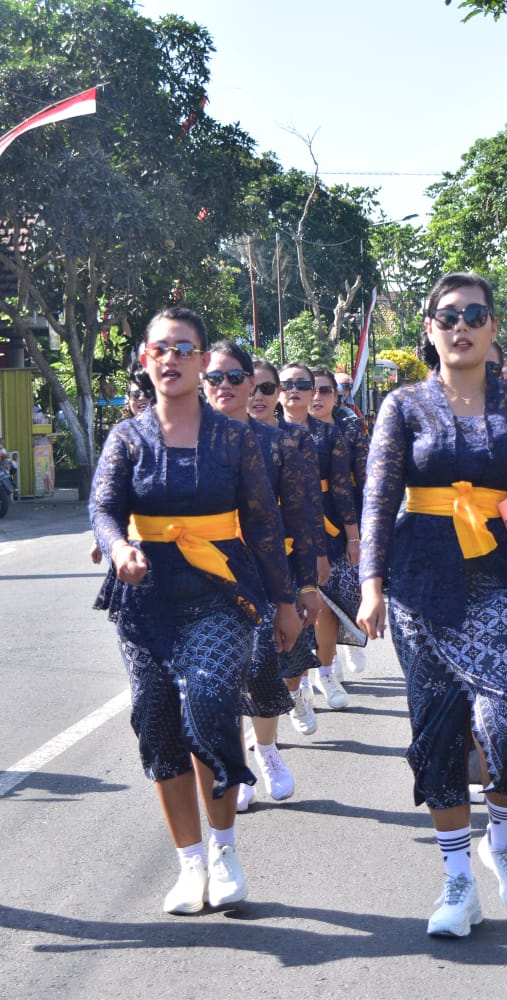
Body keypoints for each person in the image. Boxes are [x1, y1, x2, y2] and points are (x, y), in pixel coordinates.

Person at [358, 271, 507, 938]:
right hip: (421, 585)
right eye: (448, 316)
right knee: (440, 733)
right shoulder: (403, 407)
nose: (461, 325)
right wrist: (370, 584)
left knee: (505, 719)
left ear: (491, 330)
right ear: (429, 330)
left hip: (503, 581)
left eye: (475, 315)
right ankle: (457, 884)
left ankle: (503, 840)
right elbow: (377, 497)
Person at [90, 307, 301, 915]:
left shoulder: (235, 439)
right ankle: (188, 862)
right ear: (144, 357)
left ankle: (224, 847)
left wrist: (286, 601)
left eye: (186, 349)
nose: (173, 358)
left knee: (210, 704)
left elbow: (264, 522)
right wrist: (119, 544)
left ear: (203, 360)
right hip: (146, 598)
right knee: (155, 720)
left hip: (221, 591)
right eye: (162, 348)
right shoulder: (126, 437)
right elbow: (102, 509)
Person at [202, 341, 323, 812]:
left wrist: (307, 584)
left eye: (236, 378)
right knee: (217, 674)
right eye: (215, 378)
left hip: (267, 572)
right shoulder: (186, 438)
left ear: (252, 385)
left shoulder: (281, 443)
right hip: (204, 575)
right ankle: (234, 764)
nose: (225, 387)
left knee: (261, 667)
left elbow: (302, 516)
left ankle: (267, 749)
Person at [277, 362, 359, 726]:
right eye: (285, 384)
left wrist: (354, 536)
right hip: (276, 533)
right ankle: (295, 689)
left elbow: (343, 488)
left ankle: (325, 671)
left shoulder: (330, 436)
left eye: (302, 385)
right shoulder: (257, 434)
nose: (293, 390)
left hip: (327, 527)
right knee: (291, 610)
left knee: (324, 607)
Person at [314, 368, 370, 684]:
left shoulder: (350, 428)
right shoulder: (286, 428)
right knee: (318, 597)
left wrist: (360, 532)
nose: (318, 397)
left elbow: (364, 478)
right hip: (306, 520)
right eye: (314, 390)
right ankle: (325, 667)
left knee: (345, 591)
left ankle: (347, 633)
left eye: (326, 391)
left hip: (346, 512)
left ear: (337, 395)